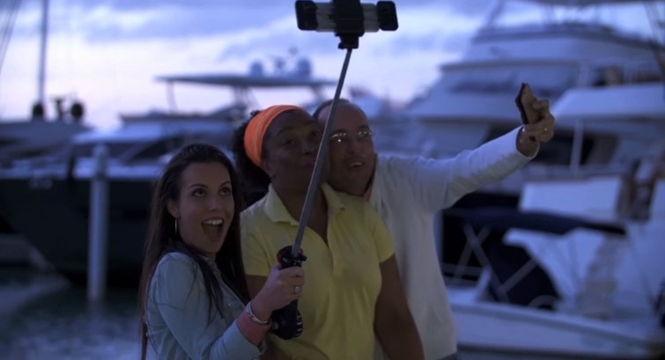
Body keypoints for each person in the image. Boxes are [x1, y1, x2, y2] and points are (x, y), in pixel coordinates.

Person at [313, 97, 556, 360]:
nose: (355, 148)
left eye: (363, 134)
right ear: (318, 150)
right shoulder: (308, 204)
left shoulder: (407, 179)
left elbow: (463, 169)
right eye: (338, 138)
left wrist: (521, 140)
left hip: (432, 352)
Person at [230, 104, 425, 360]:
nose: (310, 147)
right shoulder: (249, 232)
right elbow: (262, 345)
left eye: (314, 135)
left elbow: (394, 317)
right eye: (290, 141)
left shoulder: (361, 214)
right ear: (267, 164)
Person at [137, 143, 305, 360]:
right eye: (199, 193)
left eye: (225, 191)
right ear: (173, 206)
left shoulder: (215, 271)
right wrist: (263, 304)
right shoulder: (174, 267)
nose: (216, 205)